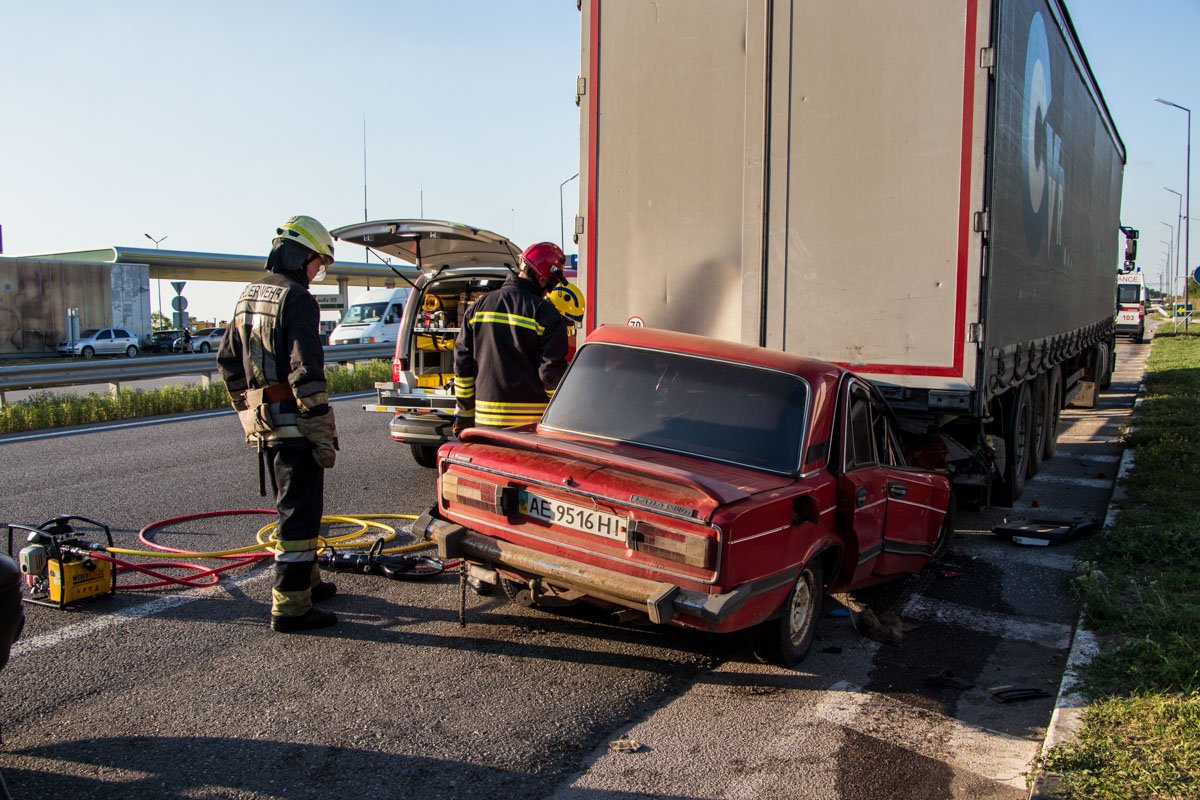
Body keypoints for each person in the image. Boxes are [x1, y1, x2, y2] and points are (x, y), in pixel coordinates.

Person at [217, 215, 340, 633]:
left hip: (265, 424)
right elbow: (306, 372)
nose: (317, 272)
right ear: (301, 255)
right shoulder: (298, 299)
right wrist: (320, 427)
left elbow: (228, 361)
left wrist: (246, 413)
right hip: (296, 425)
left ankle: (307, 582)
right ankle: (290, 606)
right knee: (300, 514)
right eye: (317, 263)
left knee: (294, 506)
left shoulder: (249, 295)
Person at [452, 241, 570, 434]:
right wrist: (559, 411)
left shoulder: (479, 306)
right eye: (551, 284)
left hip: (484, 424)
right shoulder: (546, 314)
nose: (549, 291)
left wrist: (465, 416)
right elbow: (550, 373)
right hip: (528, 428)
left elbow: (462, 364)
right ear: (542, 280)